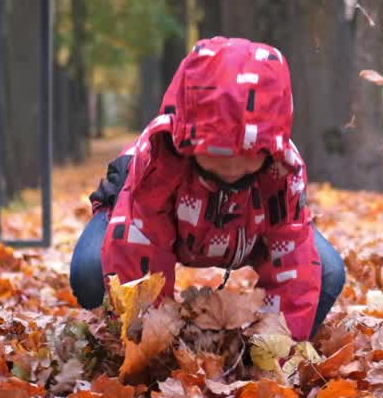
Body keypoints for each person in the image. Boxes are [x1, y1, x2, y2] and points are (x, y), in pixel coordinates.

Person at [69, 36, 345, 341]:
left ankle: (260, 343)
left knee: (327, 271)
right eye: (217, 155)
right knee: (93, 268)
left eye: (247, 157)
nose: (231, 170)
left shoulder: (283, 170)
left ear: (269, 149)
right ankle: (116, 336)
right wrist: (153, 339)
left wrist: (275, 346)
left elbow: (294, 261)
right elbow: (138, 253)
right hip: (155, 224)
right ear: (188, 140)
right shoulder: (159, 162)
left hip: (248, 232)